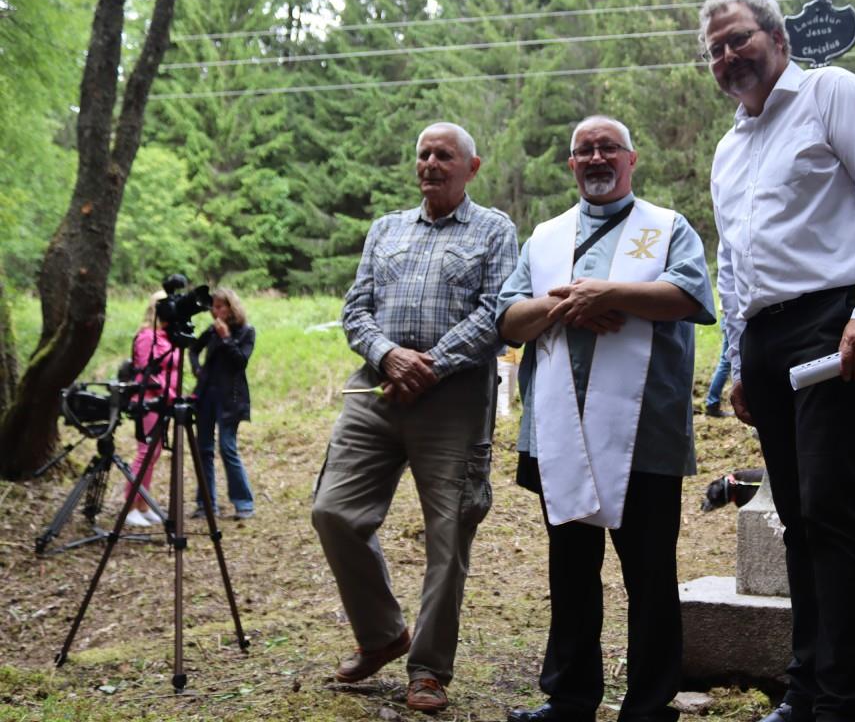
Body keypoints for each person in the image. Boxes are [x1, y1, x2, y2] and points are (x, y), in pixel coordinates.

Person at [700, 0, 855, 721]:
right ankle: (807, 690)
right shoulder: (729, 149)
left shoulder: (833, 93)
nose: (728, 55)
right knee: (796, 516)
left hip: (836, 319)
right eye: (715, 49)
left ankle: (846, 705)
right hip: (765, 338)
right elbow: (733, 260)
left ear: (779, 39)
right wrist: (738, 358)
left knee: (833, 506)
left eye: (738, 38)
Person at [498, 115, 714, 722]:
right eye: (584, 150)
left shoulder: (668, 228)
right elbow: (508, 319)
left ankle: (648, 706)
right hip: (558, 429)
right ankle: (570, 699)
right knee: (570, 569)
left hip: (645, 431)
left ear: (631, 159)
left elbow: (691, 297)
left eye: (608, 148)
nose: (596, 158)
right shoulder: (546, 238)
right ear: (571, 164)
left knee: (649, 573)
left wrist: (609, 294)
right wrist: (567, 305)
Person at [311, 122, 518, 712]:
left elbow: (497, 311)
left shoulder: (494, 229)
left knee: (448, 535)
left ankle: (428, 668)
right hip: (376, 389)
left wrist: (432, 364)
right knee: (333, 512)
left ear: (471, 167)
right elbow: (356, 308)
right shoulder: (386, 228)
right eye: (424, 154)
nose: (430, 163)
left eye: (444, 155)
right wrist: (388, 356)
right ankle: (382, 635)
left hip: (453, 399)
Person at [189, 287, 256, 521]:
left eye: (220, 307)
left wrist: (226, 338)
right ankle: (205, 504)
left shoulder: (246, 331)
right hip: (206, 396)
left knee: (227, 448)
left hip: (231, 399)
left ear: (230, 307)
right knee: (203, 450)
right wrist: (197, 369)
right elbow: (193, 349)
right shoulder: (211, 331)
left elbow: (240, 362)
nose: (215, 312)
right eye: (213, 307)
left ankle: (244, 503)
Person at [123, 290, 182, 528]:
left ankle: (142, 504)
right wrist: (171, 396)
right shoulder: (147, 336)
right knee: (145, 452)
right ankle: (129, 506)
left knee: (154, 454)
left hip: (163, 401)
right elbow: (148, 373)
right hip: (149, 400)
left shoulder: (166, 336)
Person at [704, 328, 733, 417]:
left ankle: (712, 402)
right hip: (735, 323)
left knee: (726, 361)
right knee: (726, 361)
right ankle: (712, 403)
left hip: (731, 323)